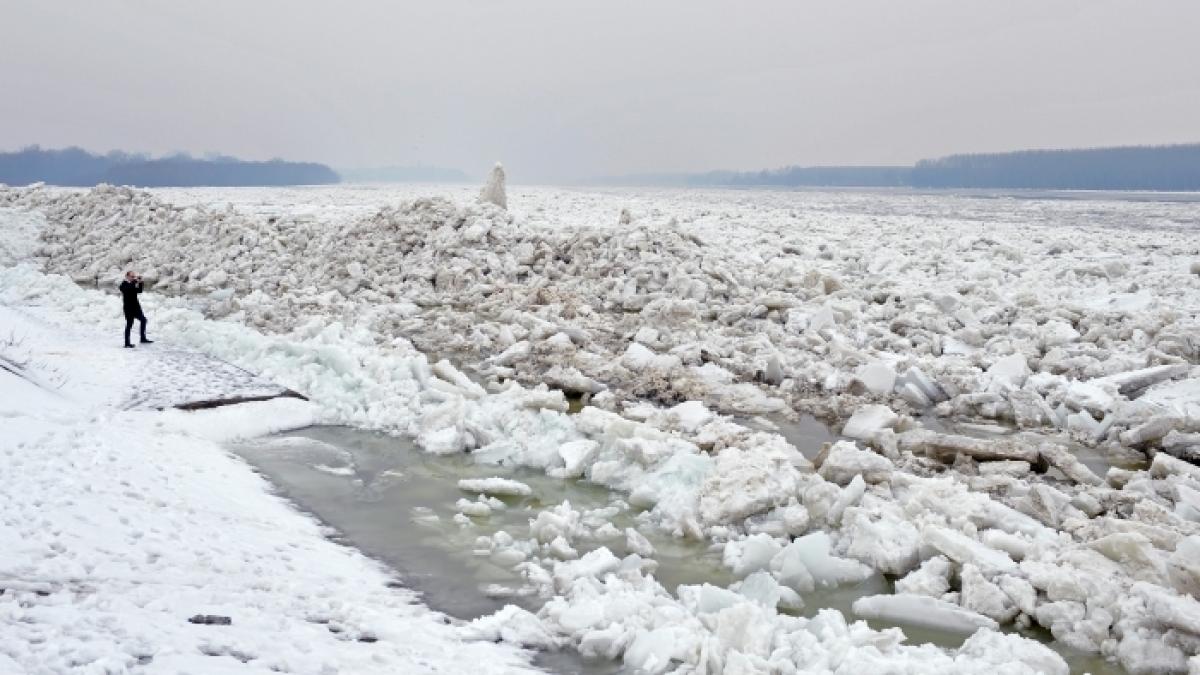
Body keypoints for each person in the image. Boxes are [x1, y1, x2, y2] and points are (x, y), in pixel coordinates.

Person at [119, 271, 153, 348]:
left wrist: (141, 283)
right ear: (127, 276)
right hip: (128, 308)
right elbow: (127, 289)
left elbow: (139, 291)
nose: (133, 278)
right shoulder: (123, 284)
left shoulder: (132, 284)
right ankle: (127, 343)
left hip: (136, 307)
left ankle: (142, 338)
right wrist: (135, 281)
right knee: (129, 324)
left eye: (134, 276)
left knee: (143, 320)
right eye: (132, 276)